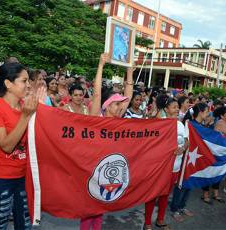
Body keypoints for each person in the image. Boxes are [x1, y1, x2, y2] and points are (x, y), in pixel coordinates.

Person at [0, 63, 45, 229]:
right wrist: (26, 116)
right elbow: (6, 146)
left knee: (25, 226)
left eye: (29, 80)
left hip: (25, 177)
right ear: (8, 84)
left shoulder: (27, 106)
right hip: (0, 179)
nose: (28, 85)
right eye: (24, 81)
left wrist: (41, 111)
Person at [79, 53, 134, 230]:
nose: (121, 107)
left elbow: (129, 95)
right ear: (107, 105)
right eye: (117, 104)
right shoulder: (98, 117)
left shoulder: (119, 119)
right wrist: (101, 64)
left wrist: (129, 72)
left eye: (121, 104)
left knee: (100, 208)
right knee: (88, 210)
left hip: (108, 170)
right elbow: (96, 94)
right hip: (91, 169)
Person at [144, 97, 188, 229]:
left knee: (165, 195)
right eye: (174, 107)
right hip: (161, 168)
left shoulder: (180, 124)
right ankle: (147, 223)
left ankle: (160, 220)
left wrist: (183, 148)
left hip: (175, 166)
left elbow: (186, 141)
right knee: (153, 195)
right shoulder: (159, 124)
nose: (177, 109)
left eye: (177, 107)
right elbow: (152, 145)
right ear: (166, 109)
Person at [171, 103, 211, 220]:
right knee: (182, 184)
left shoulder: (200, 125)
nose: (208, 114)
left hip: (194, 159)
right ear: (201, 112)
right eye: (207, 111)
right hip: (186, 159)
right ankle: (175, 209)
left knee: (190, 183)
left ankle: (182, 206)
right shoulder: (189, 124)